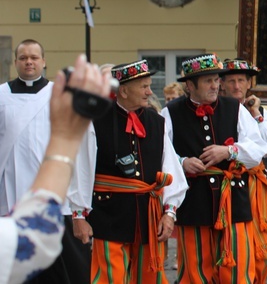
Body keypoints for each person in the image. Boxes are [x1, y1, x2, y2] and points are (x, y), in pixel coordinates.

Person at [69, 59, 187, 283]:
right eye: (143, 87)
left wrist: (169, 213)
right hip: (107, 215)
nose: (149, 92)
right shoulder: (95, 121)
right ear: (123, 90)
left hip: (148, 218)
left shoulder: (156, 122)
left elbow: (172, 171)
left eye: (149, 85)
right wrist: (78, 215)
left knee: (149, 277)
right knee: (109, 278)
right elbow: (81, 169)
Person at [0, 54, 111, 284]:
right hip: (11, 195)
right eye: (23, 57)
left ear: (43, 61)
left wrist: (79, 206)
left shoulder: (56, 94)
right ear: (15, 62)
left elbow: (84, 151)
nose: (29, 62)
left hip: (58, 204)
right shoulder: (2, 94)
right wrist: (65, 138)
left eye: (34, 57)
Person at [162, 54, 267, 283]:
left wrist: (228, 151)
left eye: (216, 80)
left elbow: (258, 147)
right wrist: (182, 162)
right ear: (190, 86)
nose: (215, 85)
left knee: (238, 265)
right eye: (208, 81)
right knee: (196, 267)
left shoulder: (234, 108)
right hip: (193, 200)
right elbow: (161, 154)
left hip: (232, 200)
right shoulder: (170, 112)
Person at [220, 58, 267, 284]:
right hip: (227, 185)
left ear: (249, 84)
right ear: (222, 84)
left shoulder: (258, 112)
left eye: (241, 80)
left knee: (258, 244)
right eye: (231, 81)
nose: (236, 86)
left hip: (254, 186)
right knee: (234, 242)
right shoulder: (218, 110)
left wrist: (256, 113)